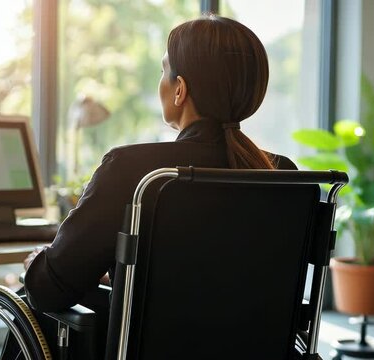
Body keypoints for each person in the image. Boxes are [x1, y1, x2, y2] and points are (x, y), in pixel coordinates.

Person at [23, 14, 296, 312]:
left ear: (180, 89)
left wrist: (36, 265)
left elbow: (51, 291)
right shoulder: (280, 174)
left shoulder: (133, 170)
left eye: (163, 70)